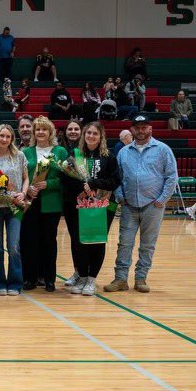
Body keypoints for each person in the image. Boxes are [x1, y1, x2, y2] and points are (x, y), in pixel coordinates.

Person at [104, 115, 177, 293]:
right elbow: (117, 178)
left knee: (148, 244)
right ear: (132, 130)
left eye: (144, 127)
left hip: (153, 205)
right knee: (124, 243)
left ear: (150, 129)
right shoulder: (124, 152)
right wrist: (120, 196)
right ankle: (120, 279)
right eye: (137, 127)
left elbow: (171, 176)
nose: (141, 131)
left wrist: (162, 200)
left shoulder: (163, 149)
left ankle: (141, 278)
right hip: (129, 205)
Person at [60, 122, 121, 296]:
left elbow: (115, 180)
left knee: (97, 241)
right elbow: (65, 177)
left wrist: (94, 183)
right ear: (83, 135)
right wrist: (81, 186)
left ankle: (92, 280)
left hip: (103, 206)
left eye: (95, 133)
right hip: (78, 205)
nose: (91, 136)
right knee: (79, 242)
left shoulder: (109, 156)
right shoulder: (75, 154)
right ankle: (82, 275)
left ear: (101, 136)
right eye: (88, 133)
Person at [20, 117, 69, 292]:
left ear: (51, 132)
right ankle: (30, 278)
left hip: (51, 203)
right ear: (33, 133)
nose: (41, 132)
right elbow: (21, 177)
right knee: (29, 241)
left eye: (44, 129)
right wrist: (27, 190)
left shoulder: (60, 151)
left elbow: (67, 179)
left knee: (49, 241)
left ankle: (49, 279)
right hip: (30, 202)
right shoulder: (26, 152)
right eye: (37, 130)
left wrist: (49, 184)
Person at [0, 124, 28, 295]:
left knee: (14, 245)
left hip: (14, 207)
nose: (4, 139)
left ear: (12, 139)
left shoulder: (19, 156)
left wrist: (23, 194)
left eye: (8, 136)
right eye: (1, 136)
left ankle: (16, 283)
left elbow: (26, 179)